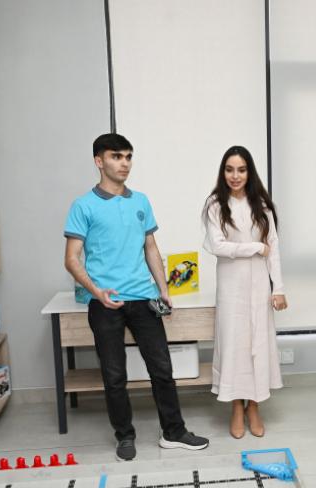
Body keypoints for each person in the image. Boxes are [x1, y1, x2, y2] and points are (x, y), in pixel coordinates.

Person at [64, 133, 210, 461]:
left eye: (128, 156)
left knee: (162, 369)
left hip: (144, 298)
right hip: (105, 303)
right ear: (99, 161)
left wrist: (164, 290)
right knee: (114, 376)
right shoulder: (83, 206)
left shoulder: (141, 201)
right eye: (116, 156)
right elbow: (71, 259)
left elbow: (151, 248)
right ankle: (125, 436)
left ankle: (173, 432)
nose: (125, 163)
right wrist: (96, 292)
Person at [202, 146, 286, 438]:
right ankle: (237, 406)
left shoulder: (262, 205)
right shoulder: (215, 205)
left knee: (258, 345)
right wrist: (255, 247)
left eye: (241, 169)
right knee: (234, 345)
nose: (235, 176)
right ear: (223, 172)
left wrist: (278, 288)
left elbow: (273, 249)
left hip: (260, 285)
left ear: (249, 172)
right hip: (231, 286)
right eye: (229, 169)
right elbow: (217, 246)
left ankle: (254, 406)